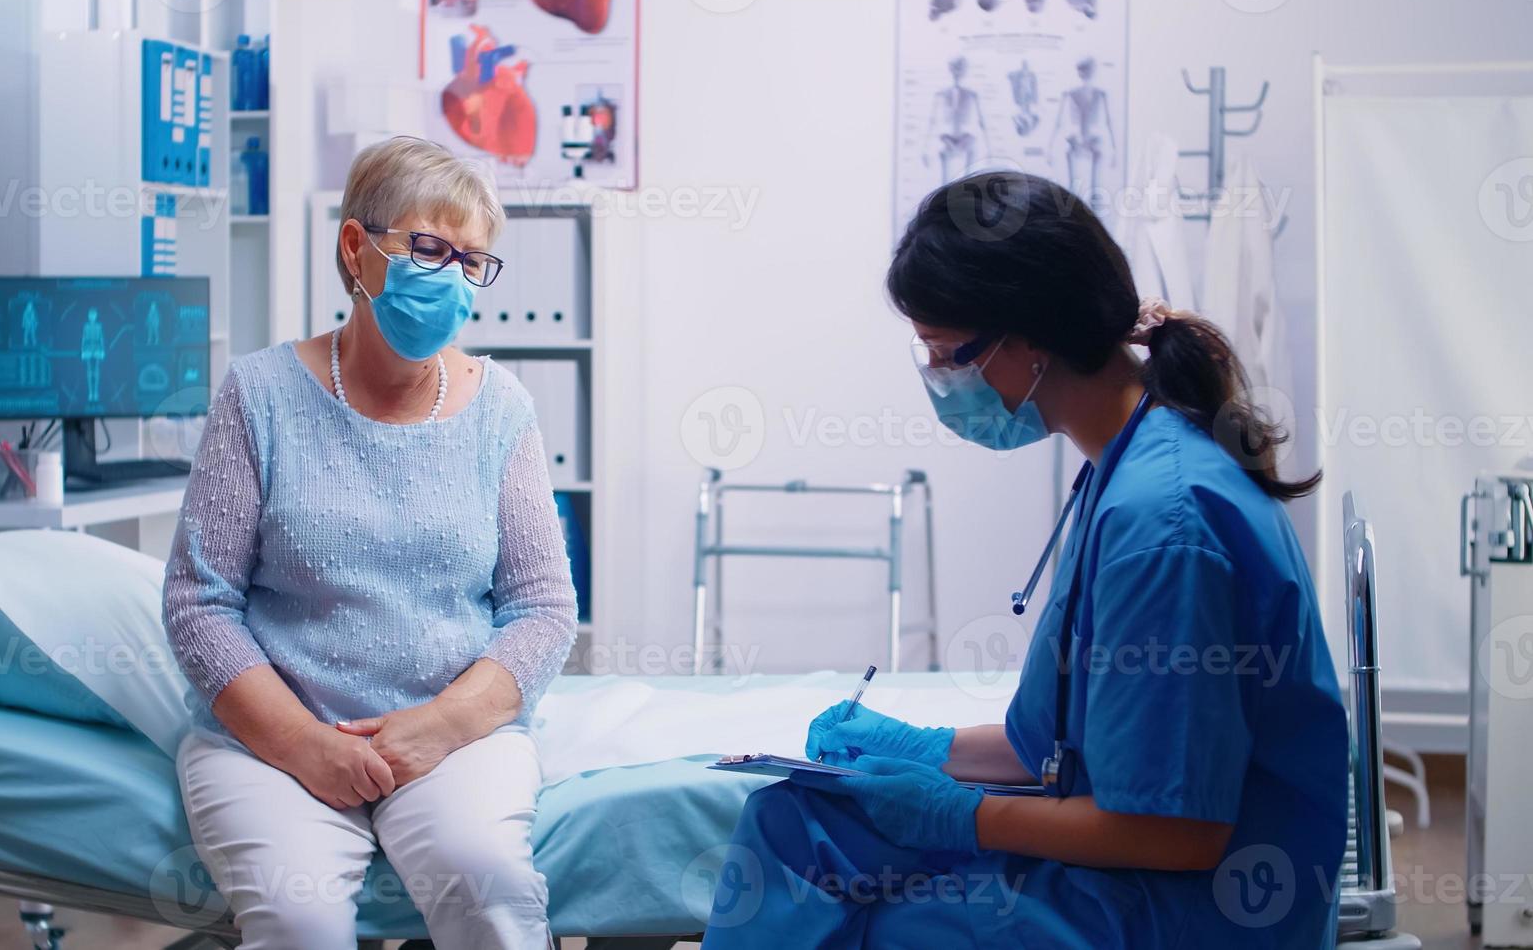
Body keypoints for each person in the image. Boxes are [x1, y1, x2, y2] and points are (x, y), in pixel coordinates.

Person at [702, 172, 1347, 948]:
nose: (942, 382)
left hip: (1188, 910)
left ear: (1029, 340)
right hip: (1130, 874)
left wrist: (962, 812)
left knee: (852, 913)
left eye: (947, 355)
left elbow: (1177, 833)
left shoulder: (1163, 524)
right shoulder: (1126, 466)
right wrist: (923, 748)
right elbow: (1080, 744)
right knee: (792, 821)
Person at [163, 136, 577, 949]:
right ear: (358, 247)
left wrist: (442, 725)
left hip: (454, 734)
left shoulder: (502, 410)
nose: (451, 277)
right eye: (429, 248)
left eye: (472, 261)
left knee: (485, 883)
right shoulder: (261, 394)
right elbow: (199, 605)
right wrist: (303, 744)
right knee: (298, 915)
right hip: (273, 738)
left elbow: (542, 610)